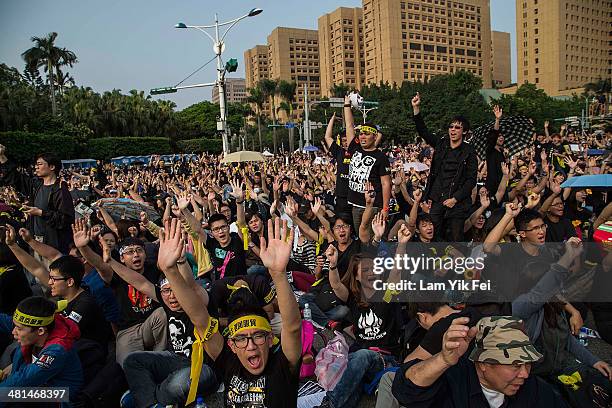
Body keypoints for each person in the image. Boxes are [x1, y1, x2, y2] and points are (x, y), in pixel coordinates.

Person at [115, 220, 219, 408]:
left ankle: (146, 396)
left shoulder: (197, 301)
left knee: (177, 383)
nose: (171, 296)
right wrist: (107, 261)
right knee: (133, 360)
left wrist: (179, 261)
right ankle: (152, 403)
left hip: (203, 367)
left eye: (175, 290)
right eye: (166, 291)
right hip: (175, 359)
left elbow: (192, 286)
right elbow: (137, 281)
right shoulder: (165, 301)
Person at [212, 218, 302, 407]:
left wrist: (278, 274)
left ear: (270, 339)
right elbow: (201, 320)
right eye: (242, 339)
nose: (251, 346)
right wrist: (172, 271)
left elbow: (292, 326)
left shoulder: (281, 369)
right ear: (232, 345)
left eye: (258, 336)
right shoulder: (230, 363)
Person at [392, 316, 567, 407]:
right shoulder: (452, 383)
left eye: (527, 363)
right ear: (483, 363)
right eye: (515, 365)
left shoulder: (534, 390)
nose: (525, 374)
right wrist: (442, 360)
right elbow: (404, 391)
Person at [73, 219, 166, 365]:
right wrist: (83, 248)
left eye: (139, 250)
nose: (136, 255)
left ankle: (161, 361)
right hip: (128, 330)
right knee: (128, 366)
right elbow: (100, 265)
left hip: (153, 323)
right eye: (129, 252)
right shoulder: (114, 274)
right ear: (121, 258)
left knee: (162, 312)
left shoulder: (155, 269)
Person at [411, 92, 478, 241]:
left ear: (464, 131)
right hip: (437, 199)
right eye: (451, 127)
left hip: (457, 202)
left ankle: (455, 263)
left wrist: (455, 198)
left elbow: (471, 180)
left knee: (455, 237)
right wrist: (416, 109)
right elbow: (423, 131)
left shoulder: (469, 152)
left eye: (457, 127)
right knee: (435, 236)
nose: (453, 130)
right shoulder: (441, 144)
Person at [0, 296, 83, 406]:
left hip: (58, 396)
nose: (13, 332)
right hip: (37, 384)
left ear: (40, 331)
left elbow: (24, 380)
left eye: (19, 329)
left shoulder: (57, 350)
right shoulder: (35, 324)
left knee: (7, 395)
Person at [0, 148, 75, 255]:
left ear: (52, 167)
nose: (36, 166)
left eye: (40, 164)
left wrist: (40, 212)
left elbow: (66, 220)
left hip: (54, 247)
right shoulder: (37, 186)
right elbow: (16, 178)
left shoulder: (60, 190)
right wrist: (2, 157)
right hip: (35, 243)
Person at [346, 123, 391, 232]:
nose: (362, 137)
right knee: (360, 237)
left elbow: (386, 184)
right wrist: (347, 105)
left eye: (366, 134)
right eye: (361, 134)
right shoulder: (355, 149)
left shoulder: (381, 157)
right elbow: (349, 125)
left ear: (375, 137)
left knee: (372, 239)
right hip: (355, 205)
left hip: (373, 206)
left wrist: (385, 208)